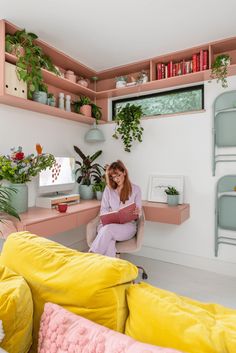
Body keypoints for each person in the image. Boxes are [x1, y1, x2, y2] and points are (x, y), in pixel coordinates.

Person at [89, 160, 142, 257]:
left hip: (127, 227)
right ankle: (109, 270)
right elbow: (103, 209)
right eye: (113, 177)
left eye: (118, 175)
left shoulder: (136, 189)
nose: (116, 179)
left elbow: (138, 212)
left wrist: (137, 212)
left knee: (108, 230)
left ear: (124, 173)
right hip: (108, 225)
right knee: (109, 241)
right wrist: (111, 214)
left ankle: (91, 257)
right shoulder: (108, 189)